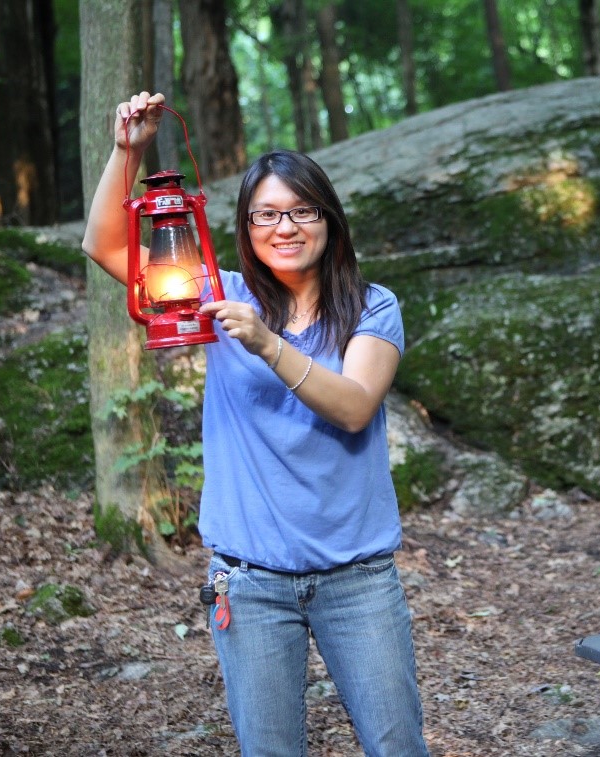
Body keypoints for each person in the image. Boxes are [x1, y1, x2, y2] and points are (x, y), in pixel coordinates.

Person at [82, 91, 430, 757]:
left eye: (301, 210)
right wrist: (128, 151)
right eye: (267, 214)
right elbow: (101, 244)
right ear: (245, 226)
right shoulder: (220, 293)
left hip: (356, 577)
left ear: (328, 219)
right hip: (249, 579)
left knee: (397, 745)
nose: (286, 226)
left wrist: (269, 344)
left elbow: (355, 405)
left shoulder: (371, 306)